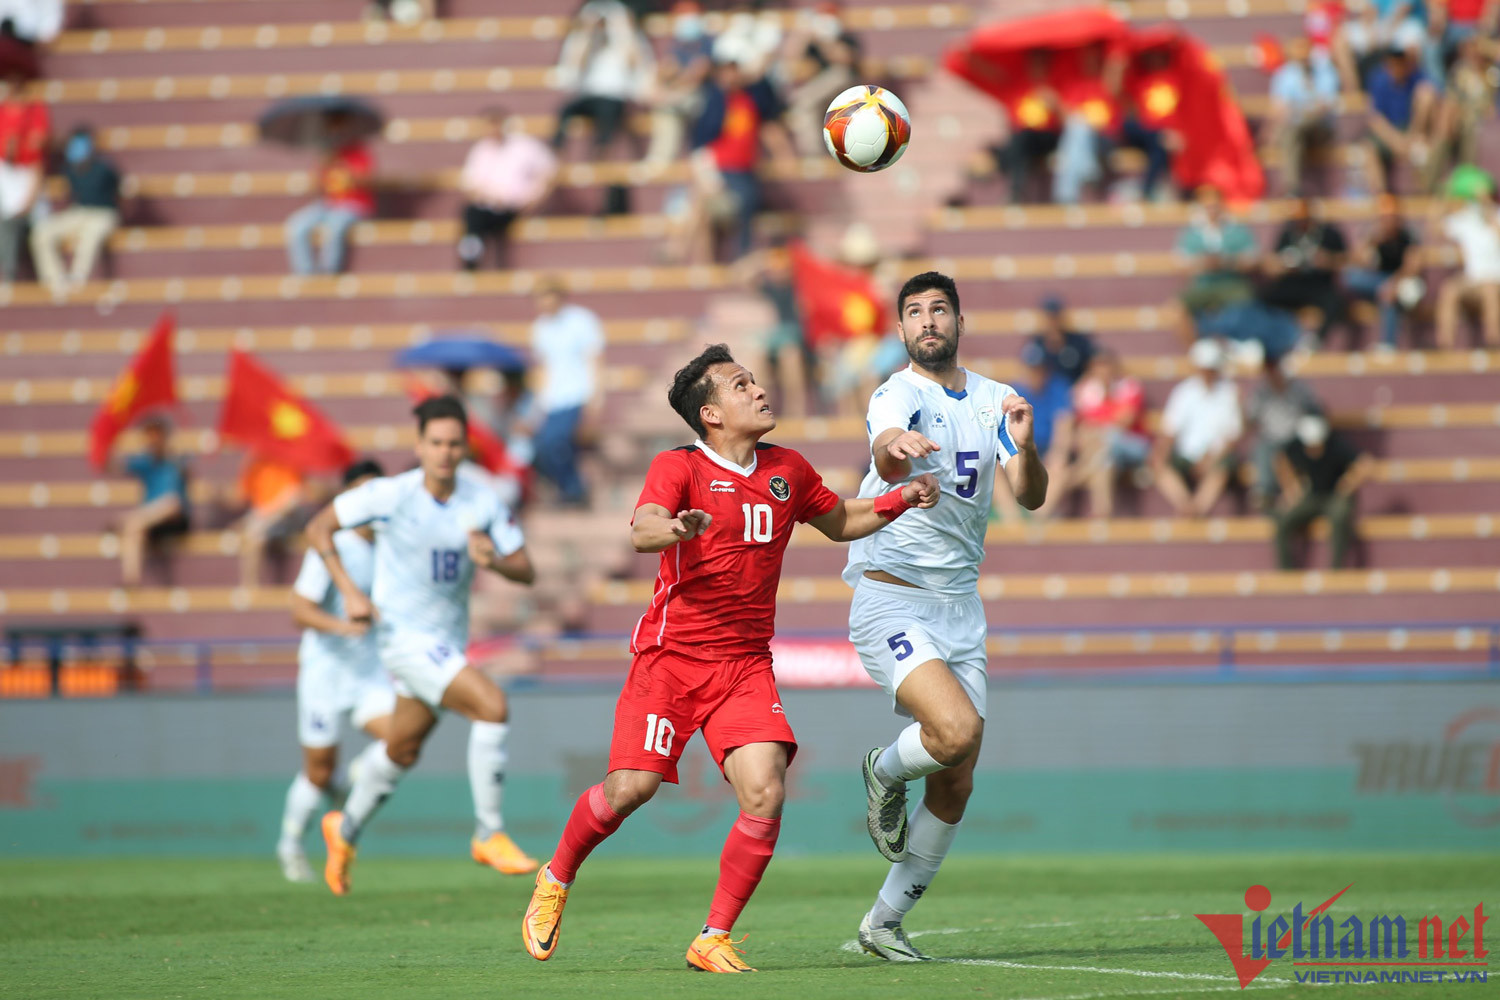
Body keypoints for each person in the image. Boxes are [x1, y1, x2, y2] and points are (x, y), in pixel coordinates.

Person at [520, 343, 940, 973]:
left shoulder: (787, 469)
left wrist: (902, 497)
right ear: (711, 414)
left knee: (766, 791)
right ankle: (555, 876)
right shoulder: (679, 466)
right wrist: (676, 529)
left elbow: (840, 519)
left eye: (754, 381)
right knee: (630, 789)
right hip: (670, 659)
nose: (759, 390)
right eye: (741, 385)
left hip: (744, 663)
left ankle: (712, 937)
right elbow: (643, 528)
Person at [842, 271, 1044, 961]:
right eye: (914, 312)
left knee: (957, 776)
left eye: (939, 310)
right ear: (901, 329)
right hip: (892, 596)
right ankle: (883, 771)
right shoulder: (896, 392)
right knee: (954, 731)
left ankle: (883, 923)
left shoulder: (994, 399)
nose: (927, 321)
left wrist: (1026, 444)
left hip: (961, 605)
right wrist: (898, 448)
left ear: (960, 321)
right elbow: (885, 445)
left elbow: (1031, 495)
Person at [308, 396, 540, 895]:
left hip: (448, 644)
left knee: (402, 748)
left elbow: (526, 570)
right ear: (419, 445)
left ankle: (344, 829)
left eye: (454, 444)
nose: (445, 452)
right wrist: (350, 592)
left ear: (465, 447)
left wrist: (493, 561)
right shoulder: (390, 495)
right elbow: (319, 526)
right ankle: (489, 833)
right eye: (436, 443)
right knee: (492, 707)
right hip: (404, 640)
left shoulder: (482, 500)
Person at [276, 459, 396, 883]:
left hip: (368, 672)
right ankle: (291, 845)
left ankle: (356, 779)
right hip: (325, 673)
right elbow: (300, 610)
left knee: (402, 738)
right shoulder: (334, 546)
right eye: (362, 492)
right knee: (319, 772)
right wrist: (345, 626)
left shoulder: (392, 547)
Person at [669, 59, 795, 262]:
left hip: (742, 171)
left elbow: (767, 125)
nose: (730, 77)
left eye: (733, 72)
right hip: (721, 168)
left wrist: (783, 153)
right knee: (704, 205)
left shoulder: (750, 100)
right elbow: (702, 145)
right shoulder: (714, 101)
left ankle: (690, 252)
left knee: (739, 202)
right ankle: (692, 256)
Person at [529, 278, 603, 506]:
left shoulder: (582, 321)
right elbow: (543, 367)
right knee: (545, 447)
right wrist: (538, 401)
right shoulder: (540, 327)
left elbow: (594, 360)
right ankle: (571, 490)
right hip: (552, 399)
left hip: (576, 395)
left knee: (555, 442)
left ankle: (573, 490)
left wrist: (596, 397)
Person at [455, 109, 557, 272]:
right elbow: (470, 185)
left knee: (481, 219)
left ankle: (477, 260)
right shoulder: (480, 150)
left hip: (515, 207)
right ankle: (471, 259)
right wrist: (489, 198)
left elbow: (549, 171)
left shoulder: (524, 145)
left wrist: (534, 199)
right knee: (472, 214)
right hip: (487, 207)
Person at [1152, 338, 1242, 517]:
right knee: (1158, 463)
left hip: (1216, 455)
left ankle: (1196, 509)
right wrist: (1160, 454)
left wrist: (1211, 459)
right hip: (1186, 454)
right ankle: (1187, 506)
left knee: (1222, 469)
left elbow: (1233, 435)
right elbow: (1170, 430)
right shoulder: (1184, 391)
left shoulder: (1230, 392)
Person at [551, 1, 651, 159]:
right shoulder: (582, 38)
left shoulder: (626, 37)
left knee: (608, 111)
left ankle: (602, 152)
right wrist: (587, 34)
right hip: (588, 94)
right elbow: (573, 69)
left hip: (614, 96)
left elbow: (636, 64)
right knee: (564, 111)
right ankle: (556, 152)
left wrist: (621, 31)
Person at [1272, 414, 1375, 569]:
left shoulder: (1337, 446)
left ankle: (1336, 569)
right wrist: (1291, 488)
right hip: (1312, 496)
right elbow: (1280, 460)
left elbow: (1366, 464)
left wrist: (1348, 483)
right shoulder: (1295, 447)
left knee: (1340, 517)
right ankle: (1286, 572)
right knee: (1282, 520)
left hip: (1334, 496)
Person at [30, 125, 121, 294]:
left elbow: (119, 190)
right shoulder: (69, 169)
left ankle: (77, 281)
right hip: (79, 212)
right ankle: (55, 283)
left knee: (91, 236)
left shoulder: (105, 168)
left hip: (102, 214)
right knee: (42, 232)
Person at [1259, 197, 1349, 345]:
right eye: (1296, 218)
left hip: (1319, 284)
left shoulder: (1328, 234)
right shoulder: (1288, 235)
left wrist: (1329, 260)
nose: (1299, 221)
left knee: (1335, 302)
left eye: (1302, 217)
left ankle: (1315, 340)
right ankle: (1272, 338)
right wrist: (1283, 265)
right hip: (1293, 282)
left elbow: (1347, 259)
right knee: (1264, 298)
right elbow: (1274, 263)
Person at [1174, 185, 1258, 344]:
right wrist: (1203, 263)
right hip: (1203, 285)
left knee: (1246, 304)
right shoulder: (1191, 233)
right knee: (1178, 308)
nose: (1212, 211)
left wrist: (1227, 262)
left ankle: (1241, 344)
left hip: (1232, 283)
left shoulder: (1237, 230)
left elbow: (1251, 261)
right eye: (1208, 207)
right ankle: (1194, 351)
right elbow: (1181, 265)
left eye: (1215, 206)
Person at [1071, 350, 1148, 519]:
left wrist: (1098, 424)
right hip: (1105, 450)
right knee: (1105, 460)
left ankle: (1077, 475)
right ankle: (1103, 512)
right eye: (1098, 368)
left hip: (1132, 444)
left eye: (1106, 367)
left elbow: (1125, 421)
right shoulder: (1088, 390)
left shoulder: (1129, 386)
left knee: (1108, 438)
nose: (1103, 372)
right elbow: (1083, 426)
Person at [116, 415, 190, 587]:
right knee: (133, 530)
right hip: (153, 522)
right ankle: (131, 580)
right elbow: (116, 465)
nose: (152, 440)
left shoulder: (176, 461)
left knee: (171, 503)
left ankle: (129, 518)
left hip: (175, 519)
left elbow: (178, 498)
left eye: (155, 435)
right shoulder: (146, 462)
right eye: (149, 436)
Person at [640, 1, 715, 171]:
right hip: (680, 95)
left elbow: (697, 73)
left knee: (668, 107)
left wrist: (670, 89)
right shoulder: (679, 43)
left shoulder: (705, 42)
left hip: (704, 98)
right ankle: (660, 160)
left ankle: (665, 159)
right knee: (665, 109)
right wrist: (660, 85)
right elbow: (667, 68)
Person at [285, 135, 375, 275]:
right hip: (329, 204)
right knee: (297, 225)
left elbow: (367, 179)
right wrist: (324, 165)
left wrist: (346, 169)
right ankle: (306, 274)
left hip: (354, 203)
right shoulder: (328, 156)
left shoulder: (358, 152)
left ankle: (329, 272)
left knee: (335, 225)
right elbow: (318, 186)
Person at [780, 2, 862, 155]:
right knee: (804, 109)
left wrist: (826, 41)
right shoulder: (813, 39)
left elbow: (845, 59)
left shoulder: (846, 37)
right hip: (819, 90)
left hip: (844, 86)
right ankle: (814, 156)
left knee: (806, 99)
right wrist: (802, 34)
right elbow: (790, 56)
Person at [1342, 194, 1422, 349]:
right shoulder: (1376, 236)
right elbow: (1356, 261)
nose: (1388, 221)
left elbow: (1412, 268)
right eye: (1385, 218)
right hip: (1381, 280)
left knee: (1392, 296)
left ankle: (1388, 345)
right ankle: (1387, 345)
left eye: (1391, 217)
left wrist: (1394, 284)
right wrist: (1370, 241)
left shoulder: (1408, 236)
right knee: (1351, 277)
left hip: (1403, 281)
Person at [1265, 37, 1341, 196]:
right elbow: (1280, 108)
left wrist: (1302, 107)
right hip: (1297, 127)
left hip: (1320, 128)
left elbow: (1324, 108)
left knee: (1292, 130)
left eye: (1305, 53)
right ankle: (1293, 189)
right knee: (1292, 134)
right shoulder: (1285, 74)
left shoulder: (1325, 70)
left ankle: (1292, 188)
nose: (1303, 59)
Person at [1245, 352, 1323, 509]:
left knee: (1285, 455)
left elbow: (1315, 412)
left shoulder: (1300, 389)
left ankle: (1293, 497)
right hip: (1271, 440)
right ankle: (1267, 491)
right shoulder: (1260, 393)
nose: (1272, 373)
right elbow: (1249, 421)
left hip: (1297, 439)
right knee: (1266, 450)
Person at [1361, 45, 1437, 194]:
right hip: (1389, 134)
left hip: (1411, 132)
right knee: (1369, 149)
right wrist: (1397, 142)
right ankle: (1382, 197)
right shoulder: (1378, 80)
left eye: (1400, 63)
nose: (1397, 68)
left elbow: (1431, 93)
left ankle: (1425, 193)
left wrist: (1413, 135)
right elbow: (1375, 120)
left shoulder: (1416, 77)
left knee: (1424, 148)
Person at [1434, 185, 1500, 347]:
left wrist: (1490, 214)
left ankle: (1493, 343)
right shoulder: (1467, 219)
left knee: (1490, 291)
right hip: (1473, 281)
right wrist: (1443, 200)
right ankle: (1445, 345)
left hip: (1495, 280)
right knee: (1449, 289)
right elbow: (1437, 229)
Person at [233, 453, 306, 589]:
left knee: (256, 534)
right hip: (262, 517)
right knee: (251, 531)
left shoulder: (289, 465)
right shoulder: (255, 465)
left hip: (284, 519)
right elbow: (241, 498)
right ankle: (249, 586)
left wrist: (263, 518)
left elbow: (293, 499)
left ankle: (249, 586)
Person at [0, 69, 45, 283]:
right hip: (7, 175)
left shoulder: (33, 109)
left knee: (13, 223)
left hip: (26, 175)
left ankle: (9, 274)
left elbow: (38, 144)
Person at [1024, 294, 1096, 385]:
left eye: (1055, 317)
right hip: (1046, 390)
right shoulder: (1036, 343)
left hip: (1075, 387)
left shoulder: (1078, 342)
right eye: (1049, 317)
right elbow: (1030, 373)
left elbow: (1092, 366)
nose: (1052, 321)